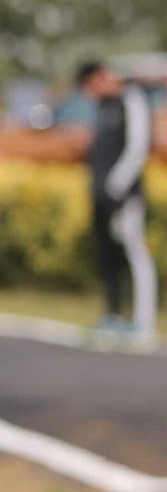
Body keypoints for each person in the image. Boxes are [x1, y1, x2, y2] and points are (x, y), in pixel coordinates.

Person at [76, 61, 157, 343]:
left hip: (124, 196)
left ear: (99, 78)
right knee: (108, 255)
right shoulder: (103, 107)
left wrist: (116, 186)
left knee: (134, 253)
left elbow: (137, 147)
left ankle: (143, 323)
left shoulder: (131, 100)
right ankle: (113, 316)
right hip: (101, 196)